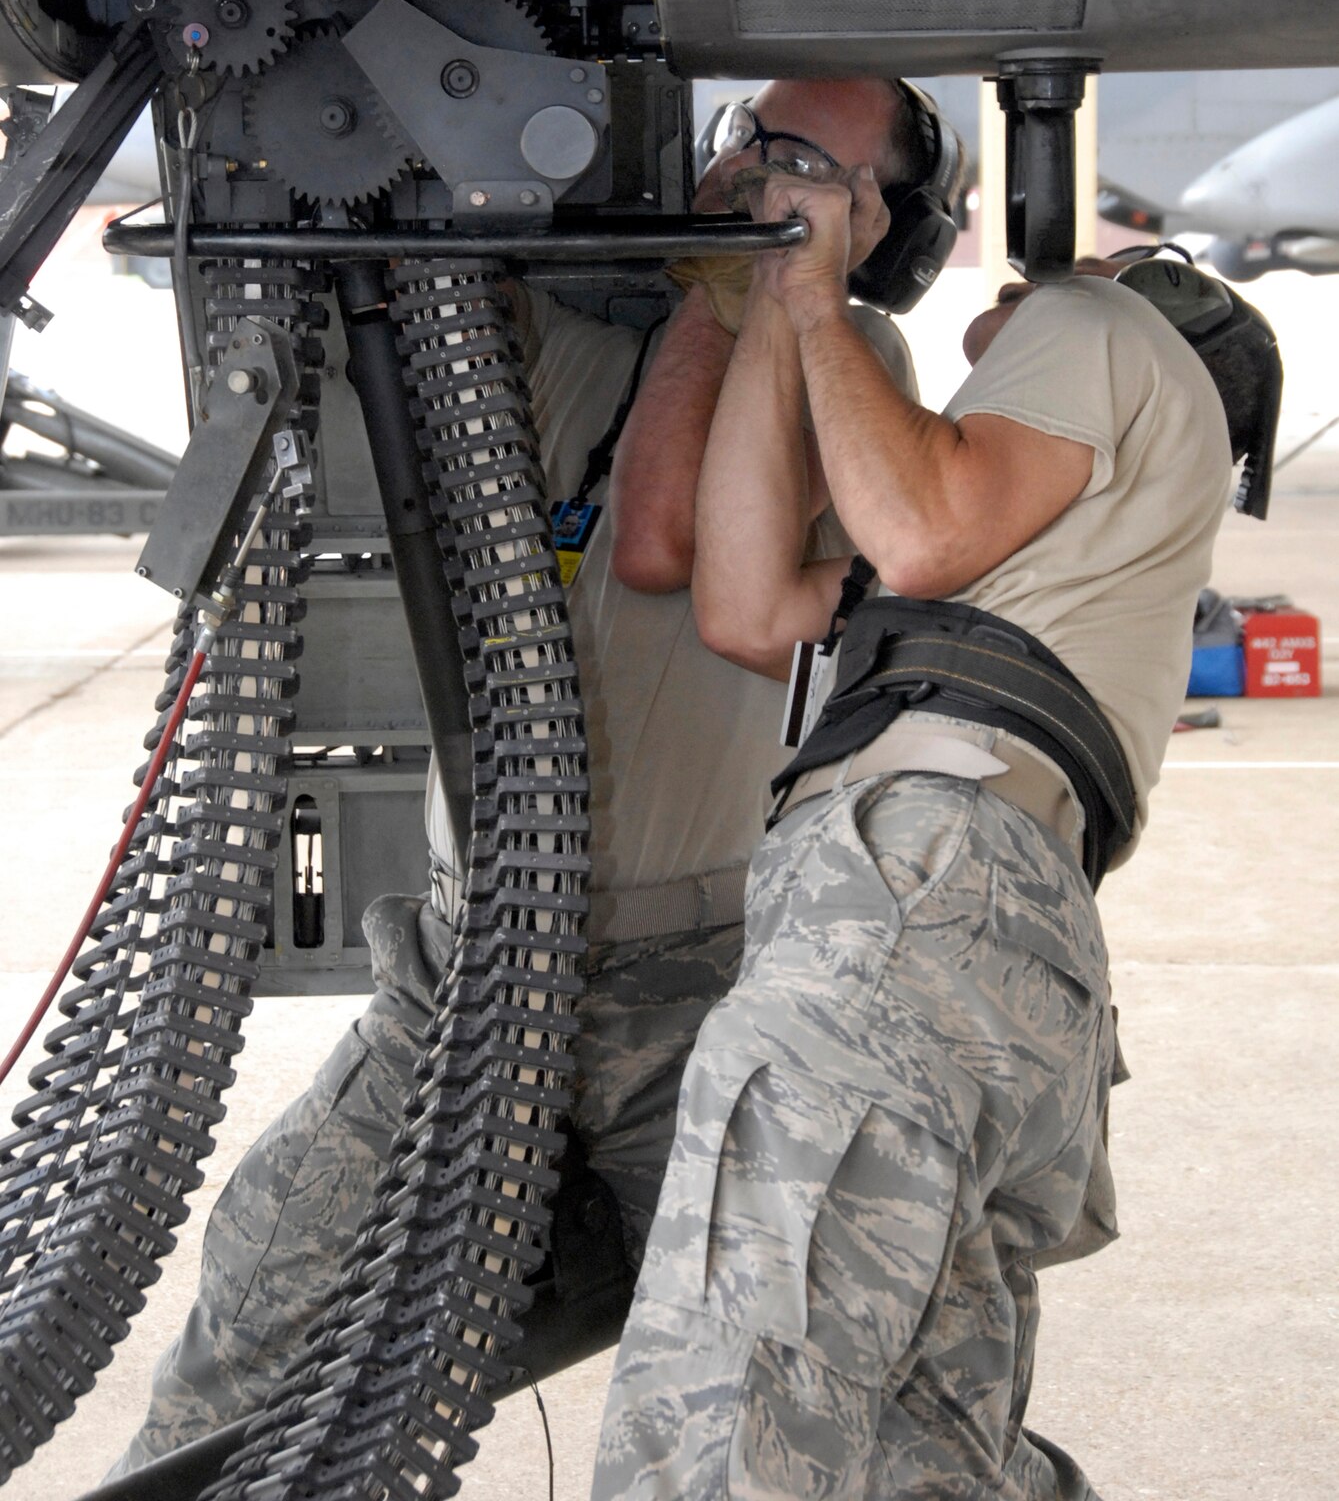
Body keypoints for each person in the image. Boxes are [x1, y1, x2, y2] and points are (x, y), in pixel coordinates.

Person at [107, 77, 941, 1475]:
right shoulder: (580, 355)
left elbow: (662, 538)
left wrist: (735, 293)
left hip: (697, 988)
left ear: (879, 223)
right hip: (471, 958)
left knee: (771, 1367)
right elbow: (411, 281)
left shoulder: (846, 359)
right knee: (269, 1270)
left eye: (803, 161)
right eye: (746, 140)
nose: (750, 175)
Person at [594, 167, 1269, 1499]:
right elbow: (742, 598)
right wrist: (782, 312)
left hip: (918, 896)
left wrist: (813, 290)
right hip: (986, 938)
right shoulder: (1057, 548)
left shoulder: (1108, 329)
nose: (1028, 292)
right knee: (927, 1459)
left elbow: (914, 535)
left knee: (727, 1411)